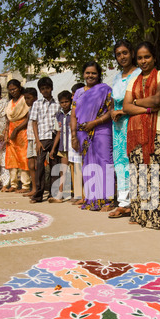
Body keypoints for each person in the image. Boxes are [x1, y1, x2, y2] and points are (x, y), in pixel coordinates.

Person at [123, 41, 160, 229]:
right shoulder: (133, 80)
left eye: (147, 57)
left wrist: (136, 102)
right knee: (142, 176)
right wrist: (147, 109)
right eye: (139, 58)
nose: (143, 61)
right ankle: (144, 217)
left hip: (159, 132)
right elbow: (126, 107)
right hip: (137, 133)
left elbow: (157, 99)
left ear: (154, 57)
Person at [70, 61, 114, 211]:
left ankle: (107, 201)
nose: (90, 76)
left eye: (94, 73)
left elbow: (111, 111)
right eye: (88, 73)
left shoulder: (105, 90)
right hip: (83, 133)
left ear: (99, 74)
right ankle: (92, 199)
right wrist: (73, 136)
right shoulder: (78, 92)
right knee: (88, 165)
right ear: (83, 74)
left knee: (105, 162)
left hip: (102, 130)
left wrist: (95, 122)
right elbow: (73, 115)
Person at [109, 39, 141, 219]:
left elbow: (141, 98)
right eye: (118, 54)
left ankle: (137, 204)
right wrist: (114, 110)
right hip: (118, 126)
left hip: (133, 122)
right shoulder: (116, 77)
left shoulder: (138, 74)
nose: (122, 57)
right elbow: (114, 100)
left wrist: (123, 110)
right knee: (120, 162)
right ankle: (123, 203)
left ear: (132, 53)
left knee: (134, 161)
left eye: (125, 53)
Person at [29, 77, 60, 203]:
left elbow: (59, 123)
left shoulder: (57, 104)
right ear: (40, 91)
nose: (45, 91)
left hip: (54, 138)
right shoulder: (36, 104)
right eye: (42, 89)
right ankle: (38, 194)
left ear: (51, 88)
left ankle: (54, 194)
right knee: (40, 167)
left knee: (54, 166)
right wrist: (37, 141)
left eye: (47, 88)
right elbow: (34, 122)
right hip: (42, 138)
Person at [5, 79, 30, 193]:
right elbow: (7, 119)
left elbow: (28, 117)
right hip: (11, 133)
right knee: (12, 158)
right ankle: (14, 184)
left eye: (14, 89)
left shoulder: (24, 100)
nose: (13, 91)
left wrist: (17, 129)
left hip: (22, 132)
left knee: (23, 158)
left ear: (19, 88)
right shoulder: (9, 103)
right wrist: (7, 133)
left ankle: (25, 185)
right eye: (10, 90)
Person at [49, 90, 72, 202]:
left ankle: (78, 194)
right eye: (62, 102)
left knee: (75, 170)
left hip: (73, 147)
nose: (64, 104)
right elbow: (58, 132)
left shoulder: (74, 114)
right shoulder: (59, 115)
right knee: (63, 169)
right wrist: (53, 148)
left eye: (66, 101)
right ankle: (60, 193)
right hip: (63, 147)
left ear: (71, 101)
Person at [69, 83, 85, 204]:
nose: (73, 97)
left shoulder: (86, 107)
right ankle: (78, 193)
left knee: (83, 167)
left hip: (83, 138)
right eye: (73, 95)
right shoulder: (73, 108)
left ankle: (84, 195)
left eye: (75, 95)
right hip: (74, 139)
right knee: (75, 167)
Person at [23, 87, 38, 198]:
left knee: (37, 165)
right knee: (31, 165)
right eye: (25, 98)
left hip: (36, 139)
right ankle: (34, 188)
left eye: (29, 98)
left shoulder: (38, 108)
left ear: (35, 98)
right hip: (30, 139)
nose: (27, 101)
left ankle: (38, 188)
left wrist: (38, 140)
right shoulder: (29, 110)